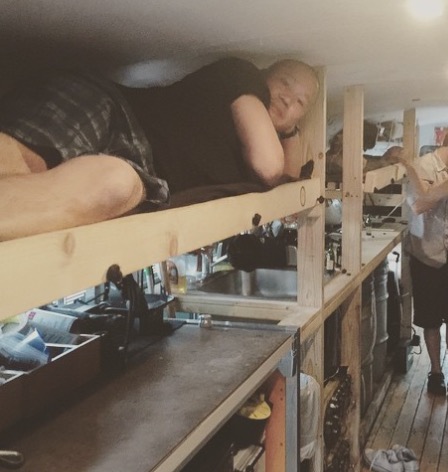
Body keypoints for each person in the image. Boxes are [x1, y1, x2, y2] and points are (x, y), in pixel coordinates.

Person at [0, 57, 319, 241]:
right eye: (285, 82)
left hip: (143, 174)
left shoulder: (244, 174)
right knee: (30, 159)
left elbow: (286, 190)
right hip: (116, 112)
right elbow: (269, 166)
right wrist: (289, 129)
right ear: (263, 77)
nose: (288, 98)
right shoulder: (242, 74)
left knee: (114, 185)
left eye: (300, 102)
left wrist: (288, 130)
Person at [398, 143, 448, 395]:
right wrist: (409, 166)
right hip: (428, 255)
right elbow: (419, 205)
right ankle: (436, 373)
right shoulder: (422, 167)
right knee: (431, 320)